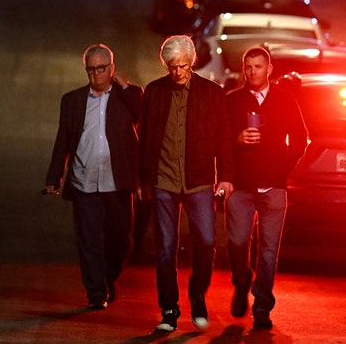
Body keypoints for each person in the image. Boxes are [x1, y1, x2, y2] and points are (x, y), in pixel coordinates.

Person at [139, 35, 234, 333]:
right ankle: (168, 308)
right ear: (165, 65)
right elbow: (146, 138)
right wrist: (144, 180)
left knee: (206, 241)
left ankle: (198, 295)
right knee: (166, 247)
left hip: (199, 180)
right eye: (172, 67)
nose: (177, 72)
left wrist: (227, 175)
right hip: (164, 179)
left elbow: (224, 137)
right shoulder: (154, 91)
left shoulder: (212, 93)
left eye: (182, 66)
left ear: (192, 62)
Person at [44, 44, 143, 309]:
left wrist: (125, 86)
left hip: (117, 181)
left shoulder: (128, 96)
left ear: (111, 68)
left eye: (102, 68)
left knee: (121, 238)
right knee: (88, 238)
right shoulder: (73, 100)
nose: (96, 75)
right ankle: (96, 292)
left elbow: (143, 114)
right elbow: (63, 138)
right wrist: (54, 175)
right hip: (84, 180)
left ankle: (109, 278)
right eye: (91, 69)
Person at [224, 46, 307, 331]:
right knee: (236, 242)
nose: (252, 72)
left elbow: (300, 138)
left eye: (258, 67)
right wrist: (237, 140)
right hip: (241, 184)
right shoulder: (233, 100)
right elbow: (219, 140)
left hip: (274, 185)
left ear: (269, 69)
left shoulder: (285, 99)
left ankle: (261, 306)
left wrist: (283, 167)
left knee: (269, 249)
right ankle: (241, 282)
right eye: (248, 67)